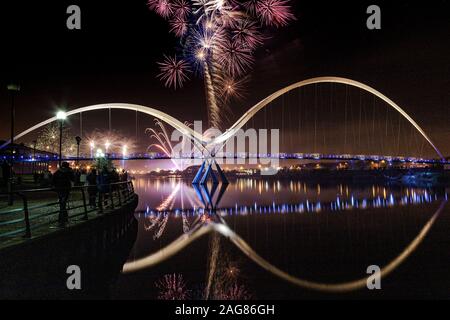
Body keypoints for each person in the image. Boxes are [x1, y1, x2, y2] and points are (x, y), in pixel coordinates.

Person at [52, 162, 75, 226]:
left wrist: (55, 186)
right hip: (66, 189)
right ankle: (62, 218)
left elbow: (53, 179)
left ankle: (63, 218)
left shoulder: (58, 172)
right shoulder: (69, 171)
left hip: (59, 189)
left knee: (62, 204)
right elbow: (73, 178)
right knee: (63, 204)